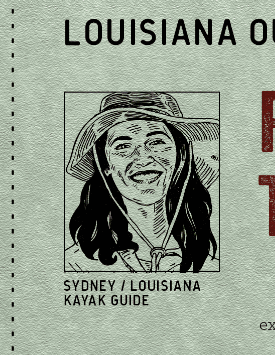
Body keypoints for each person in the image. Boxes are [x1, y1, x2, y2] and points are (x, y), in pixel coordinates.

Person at [65, 91, 219, 273]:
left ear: (181, 156)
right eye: (123, 146)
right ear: (105, 165)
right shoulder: (75, 265)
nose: (143, 158)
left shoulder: (210, 266)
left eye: (157, 142)